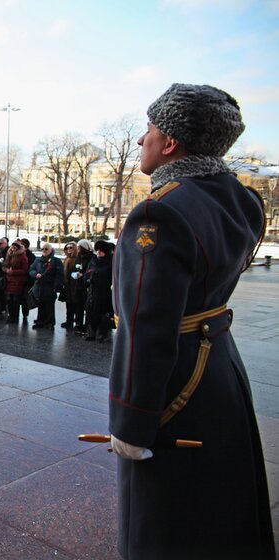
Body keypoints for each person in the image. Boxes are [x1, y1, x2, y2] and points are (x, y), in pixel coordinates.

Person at [109, 83, 273, 559]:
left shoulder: (159, 211)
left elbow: (145, 326)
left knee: (161, 521)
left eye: (149, 129)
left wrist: (132, 423)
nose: (142, 140)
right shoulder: (242, 199)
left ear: (172, 142)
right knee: (223, 509)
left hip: (176, 383)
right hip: (221, 369)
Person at [83, 239, 114, 342]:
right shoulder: (93, 261)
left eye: (101, 250)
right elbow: (88, 272)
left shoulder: (110, 263)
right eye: (97, 250)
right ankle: (91, 332)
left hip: (104, 292)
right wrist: (87, 279)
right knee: (91, 312)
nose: (98, 252)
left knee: (103, 313)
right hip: (92, 291)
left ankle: (102, 334)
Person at [28, 243, 63, 330]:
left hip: (50, 286)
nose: (44, 250)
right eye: (42, 249)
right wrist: (36, 274)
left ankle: (50, 323)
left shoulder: (56, 261)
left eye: (46, 249)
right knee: (40, 304)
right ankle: (40, 321)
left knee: (49, 305)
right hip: (40, 286)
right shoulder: (38, 260)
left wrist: (56, 286)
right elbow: (31, 269)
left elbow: (59, 275)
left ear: (51, 250)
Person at [3, 241, 28, 324]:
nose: (13, 249)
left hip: (18, 281)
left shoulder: (22, 257)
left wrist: (13, 272)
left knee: (15, 300)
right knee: (9, 299)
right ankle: (10, 315)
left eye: (15, 247)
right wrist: (5, 269)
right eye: (12, 247)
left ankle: (15, 316)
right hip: (9, 280)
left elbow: (24, 270)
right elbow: (6, 264)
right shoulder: (9, 255)